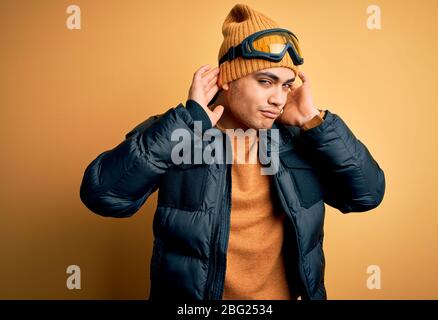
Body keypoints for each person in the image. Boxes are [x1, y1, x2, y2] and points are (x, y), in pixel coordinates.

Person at [80, 3, 385, 300]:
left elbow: (366, 196)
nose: (278, 98)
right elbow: (104, 197)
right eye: (266, 82)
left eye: (286, 86)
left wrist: (314, 122)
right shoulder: (178, 131)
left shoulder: (302, 139)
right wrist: (188, 122)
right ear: (225, 78)